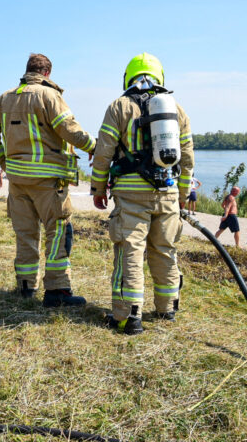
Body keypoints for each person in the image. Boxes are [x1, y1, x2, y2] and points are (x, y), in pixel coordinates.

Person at [0, 53, 95, 306]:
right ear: (47, 74)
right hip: (48, 181)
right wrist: (94, 146)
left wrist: (5, 162)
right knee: (58, 232)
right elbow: (68, 129)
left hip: (19, 181)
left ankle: (25, 288)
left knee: (26, 234)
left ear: (28, 71)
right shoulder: (49, 95)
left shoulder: (4, 99)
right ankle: (57, 291)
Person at [91, 52, 194, 334]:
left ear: (128, 77)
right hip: (168, 192)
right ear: (160, 77)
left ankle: (127, 316)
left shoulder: (119, 107)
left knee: (130, 252)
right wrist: (183, 193)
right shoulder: (176, 109)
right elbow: (187, 156)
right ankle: (167, 308)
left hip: (131, 195)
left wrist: (98, 188)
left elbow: (103, 153)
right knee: (165, 250)